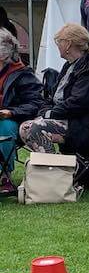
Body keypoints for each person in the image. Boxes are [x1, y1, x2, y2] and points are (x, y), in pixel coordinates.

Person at [19, 24, 89, 160]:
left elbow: (79, 102)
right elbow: (51, 97)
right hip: (71, 120)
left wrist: (49, 114)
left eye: (59, 42)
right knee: (28, 127)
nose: (57, 46)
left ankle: (54, 170)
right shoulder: (70, 66)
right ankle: (56, 168)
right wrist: (44, 112)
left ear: (68, 44)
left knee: (31, 129)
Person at [0, 29, 44, 194]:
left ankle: (4, 175)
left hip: (13, 121)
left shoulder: (23, 75)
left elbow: (36, 103)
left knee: (4, 126)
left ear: (3, 56)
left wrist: (10, 112)